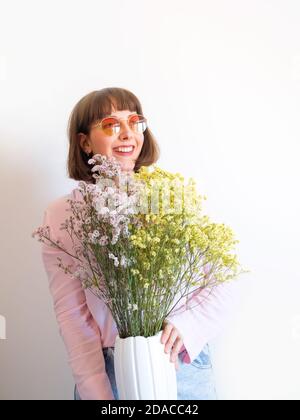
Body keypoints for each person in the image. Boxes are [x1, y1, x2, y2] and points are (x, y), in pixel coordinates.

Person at [40, 87, 236, 400]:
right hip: (110, 371)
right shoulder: (64, 214)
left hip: (181, 362)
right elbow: (72, 314)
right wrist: (98, 393)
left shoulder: (169, 196)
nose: (127, 134)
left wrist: (189, 325)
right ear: (84, 142)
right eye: (111, 125)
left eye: (135, 122)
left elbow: (223, 279)